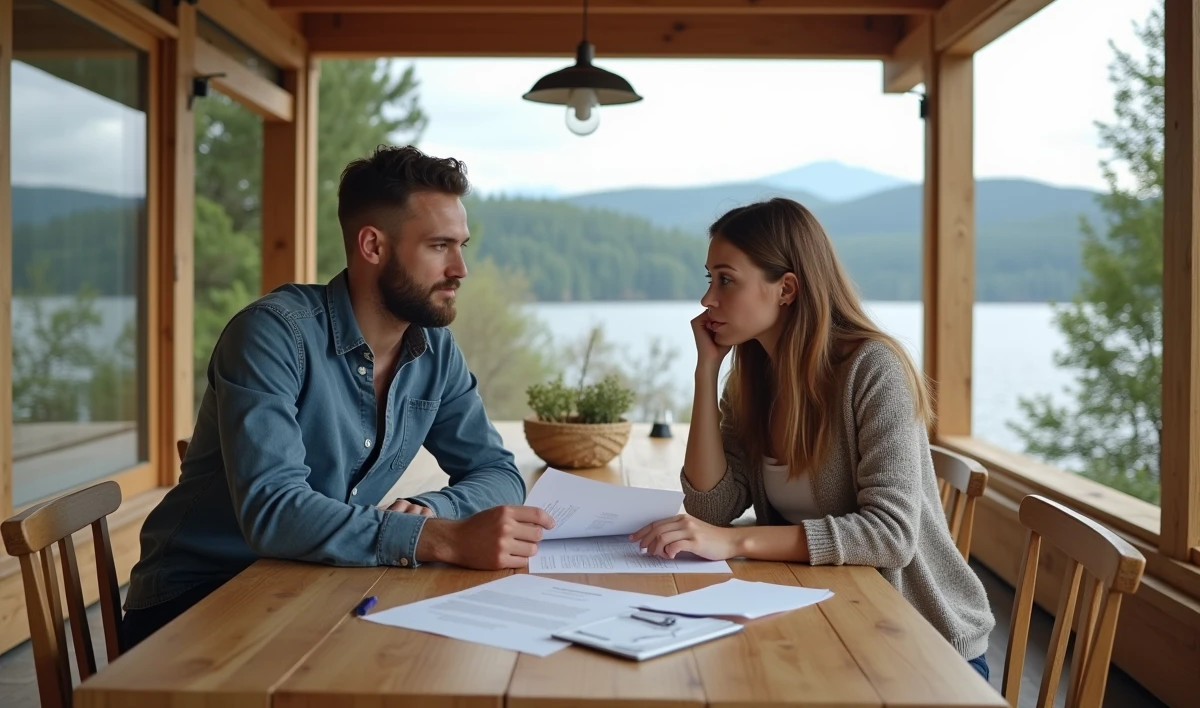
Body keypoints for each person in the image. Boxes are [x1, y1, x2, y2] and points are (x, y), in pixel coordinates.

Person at [122, 145, 553, 649]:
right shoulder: (271, 335)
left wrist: (429, 510)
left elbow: (499, 474)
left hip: (319, 578)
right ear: (373, 246)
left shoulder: (434, 347)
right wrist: (441, 539)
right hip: (200, 598)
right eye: (439, 246)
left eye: (462, 245)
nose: (460, 268)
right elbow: (275, 510)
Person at [631, 198, 995, 679]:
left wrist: (737, 544)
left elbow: (890, 537)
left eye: (726, 279)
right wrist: (706, 372)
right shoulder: (751, 379)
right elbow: (711, 508)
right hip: (827, 608)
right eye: (709, 279)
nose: (707, 299)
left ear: (785, 289)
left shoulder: (872, 370)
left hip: (924, 643)